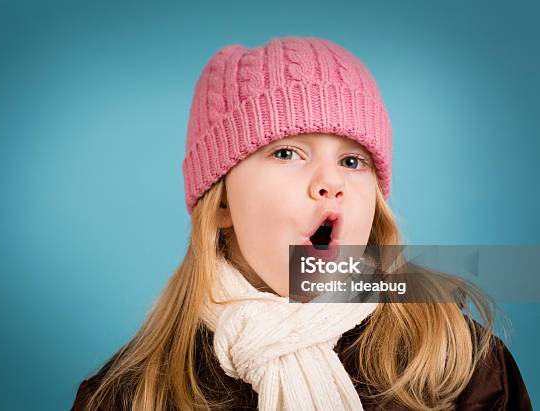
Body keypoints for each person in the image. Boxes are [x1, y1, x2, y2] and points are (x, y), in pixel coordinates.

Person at [71, 36, 532, 410]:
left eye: (353, 161)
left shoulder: (456, 360)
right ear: (223, 202)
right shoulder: (130, 394)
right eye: (287, 153)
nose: (330, 182)